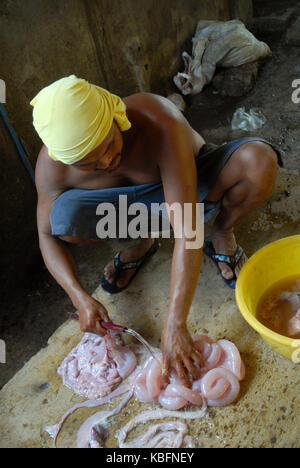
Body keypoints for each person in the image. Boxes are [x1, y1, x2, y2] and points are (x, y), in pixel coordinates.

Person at [32, 75, 281, 387]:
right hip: (133, 213)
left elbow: (188, 228)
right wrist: (78, 297)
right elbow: (46, 234)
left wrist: (175, 323)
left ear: (115, 114)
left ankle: (222, 232)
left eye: (109, 144)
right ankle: (139, 243)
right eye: (90, 164)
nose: (108, 161)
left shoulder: (157, 118)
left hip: (190, 191)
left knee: (257, 162)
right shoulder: (51, 166)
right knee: (62, 218)